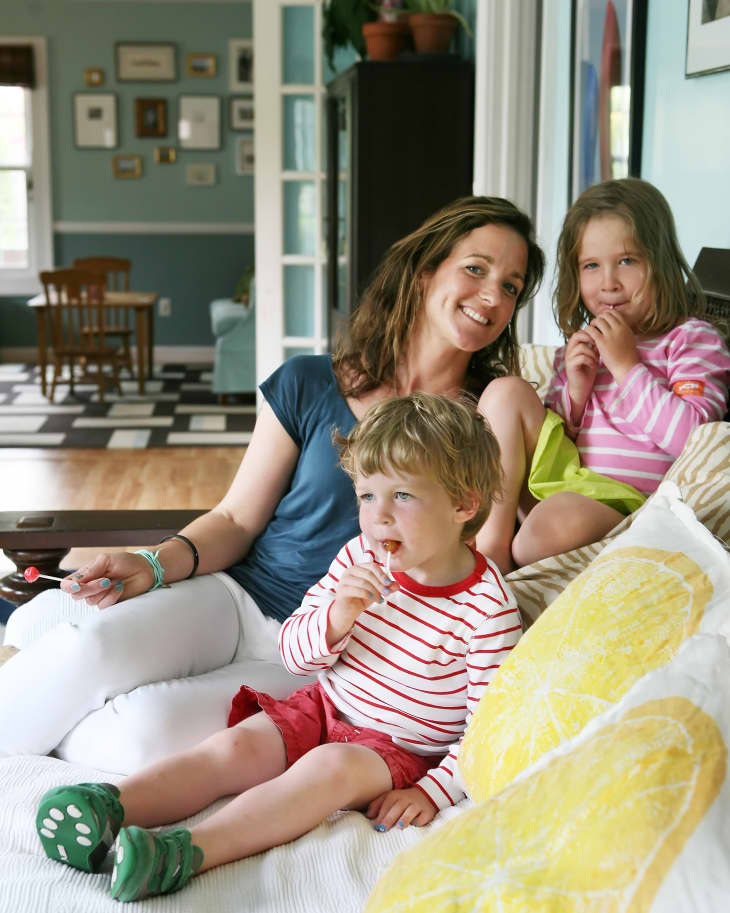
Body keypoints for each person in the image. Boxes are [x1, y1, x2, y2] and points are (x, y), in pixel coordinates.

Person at [0, 195, 544, 766]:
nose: (492, 296)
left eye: (511, 287)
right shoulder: (309, 381)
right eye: (476, 269)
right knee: (89, 652)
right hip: (235, 597)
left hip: (336, 656)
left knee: (143, 735)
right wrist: (154, 563)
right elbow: (236, 519)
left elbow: (489, 554)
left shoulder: (485, 422)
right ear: (426, 270)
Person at [35, 393, 521, 903]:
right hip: (324, 706)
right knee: (233, 748)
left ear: (463, 504)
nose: (378, 517)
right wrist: (335, 619)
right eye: (366, 495)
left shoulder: (487, 611)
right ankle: (109, 807)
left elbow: (487, 729)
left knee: (326, 769)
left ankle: (185, 852)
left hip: (398, 750)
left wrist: (431, 791)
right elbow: (293, 654)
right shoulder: (357, 558)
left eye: (402, 495)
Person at [476, 178, 730, 575]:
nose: (608, 282)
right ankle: (490, 548)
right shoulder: (583, 346)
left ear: (660, 263)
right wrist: (576, 394)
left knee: (539, 536)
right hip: (564, 486)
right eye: (591, 266)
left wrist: (627, 367)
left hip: (630, 505)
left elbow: (696, 443)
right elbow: (558, 444)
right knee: (504, 391)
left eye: (627, 261)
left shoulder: (691, 340)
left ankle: (516, 551)